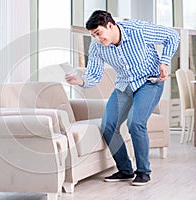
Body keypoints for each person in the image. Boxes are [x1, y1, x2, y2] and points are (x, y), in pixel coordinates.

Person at [65, 10, 179, 186]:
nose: (97, 38)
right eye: (93, 35)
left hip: (150, 82)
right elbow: (94, 75)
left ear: (110, 25)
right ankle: (125, 169)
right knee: (108, 126)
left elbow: (172, 36)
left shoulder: (137, 29)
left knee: (135, 123)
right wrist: (79, 80)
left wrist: (164, 62)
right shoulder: (97, 47)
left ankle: (143, 172)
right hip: (124, 86)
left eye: (98, 33)